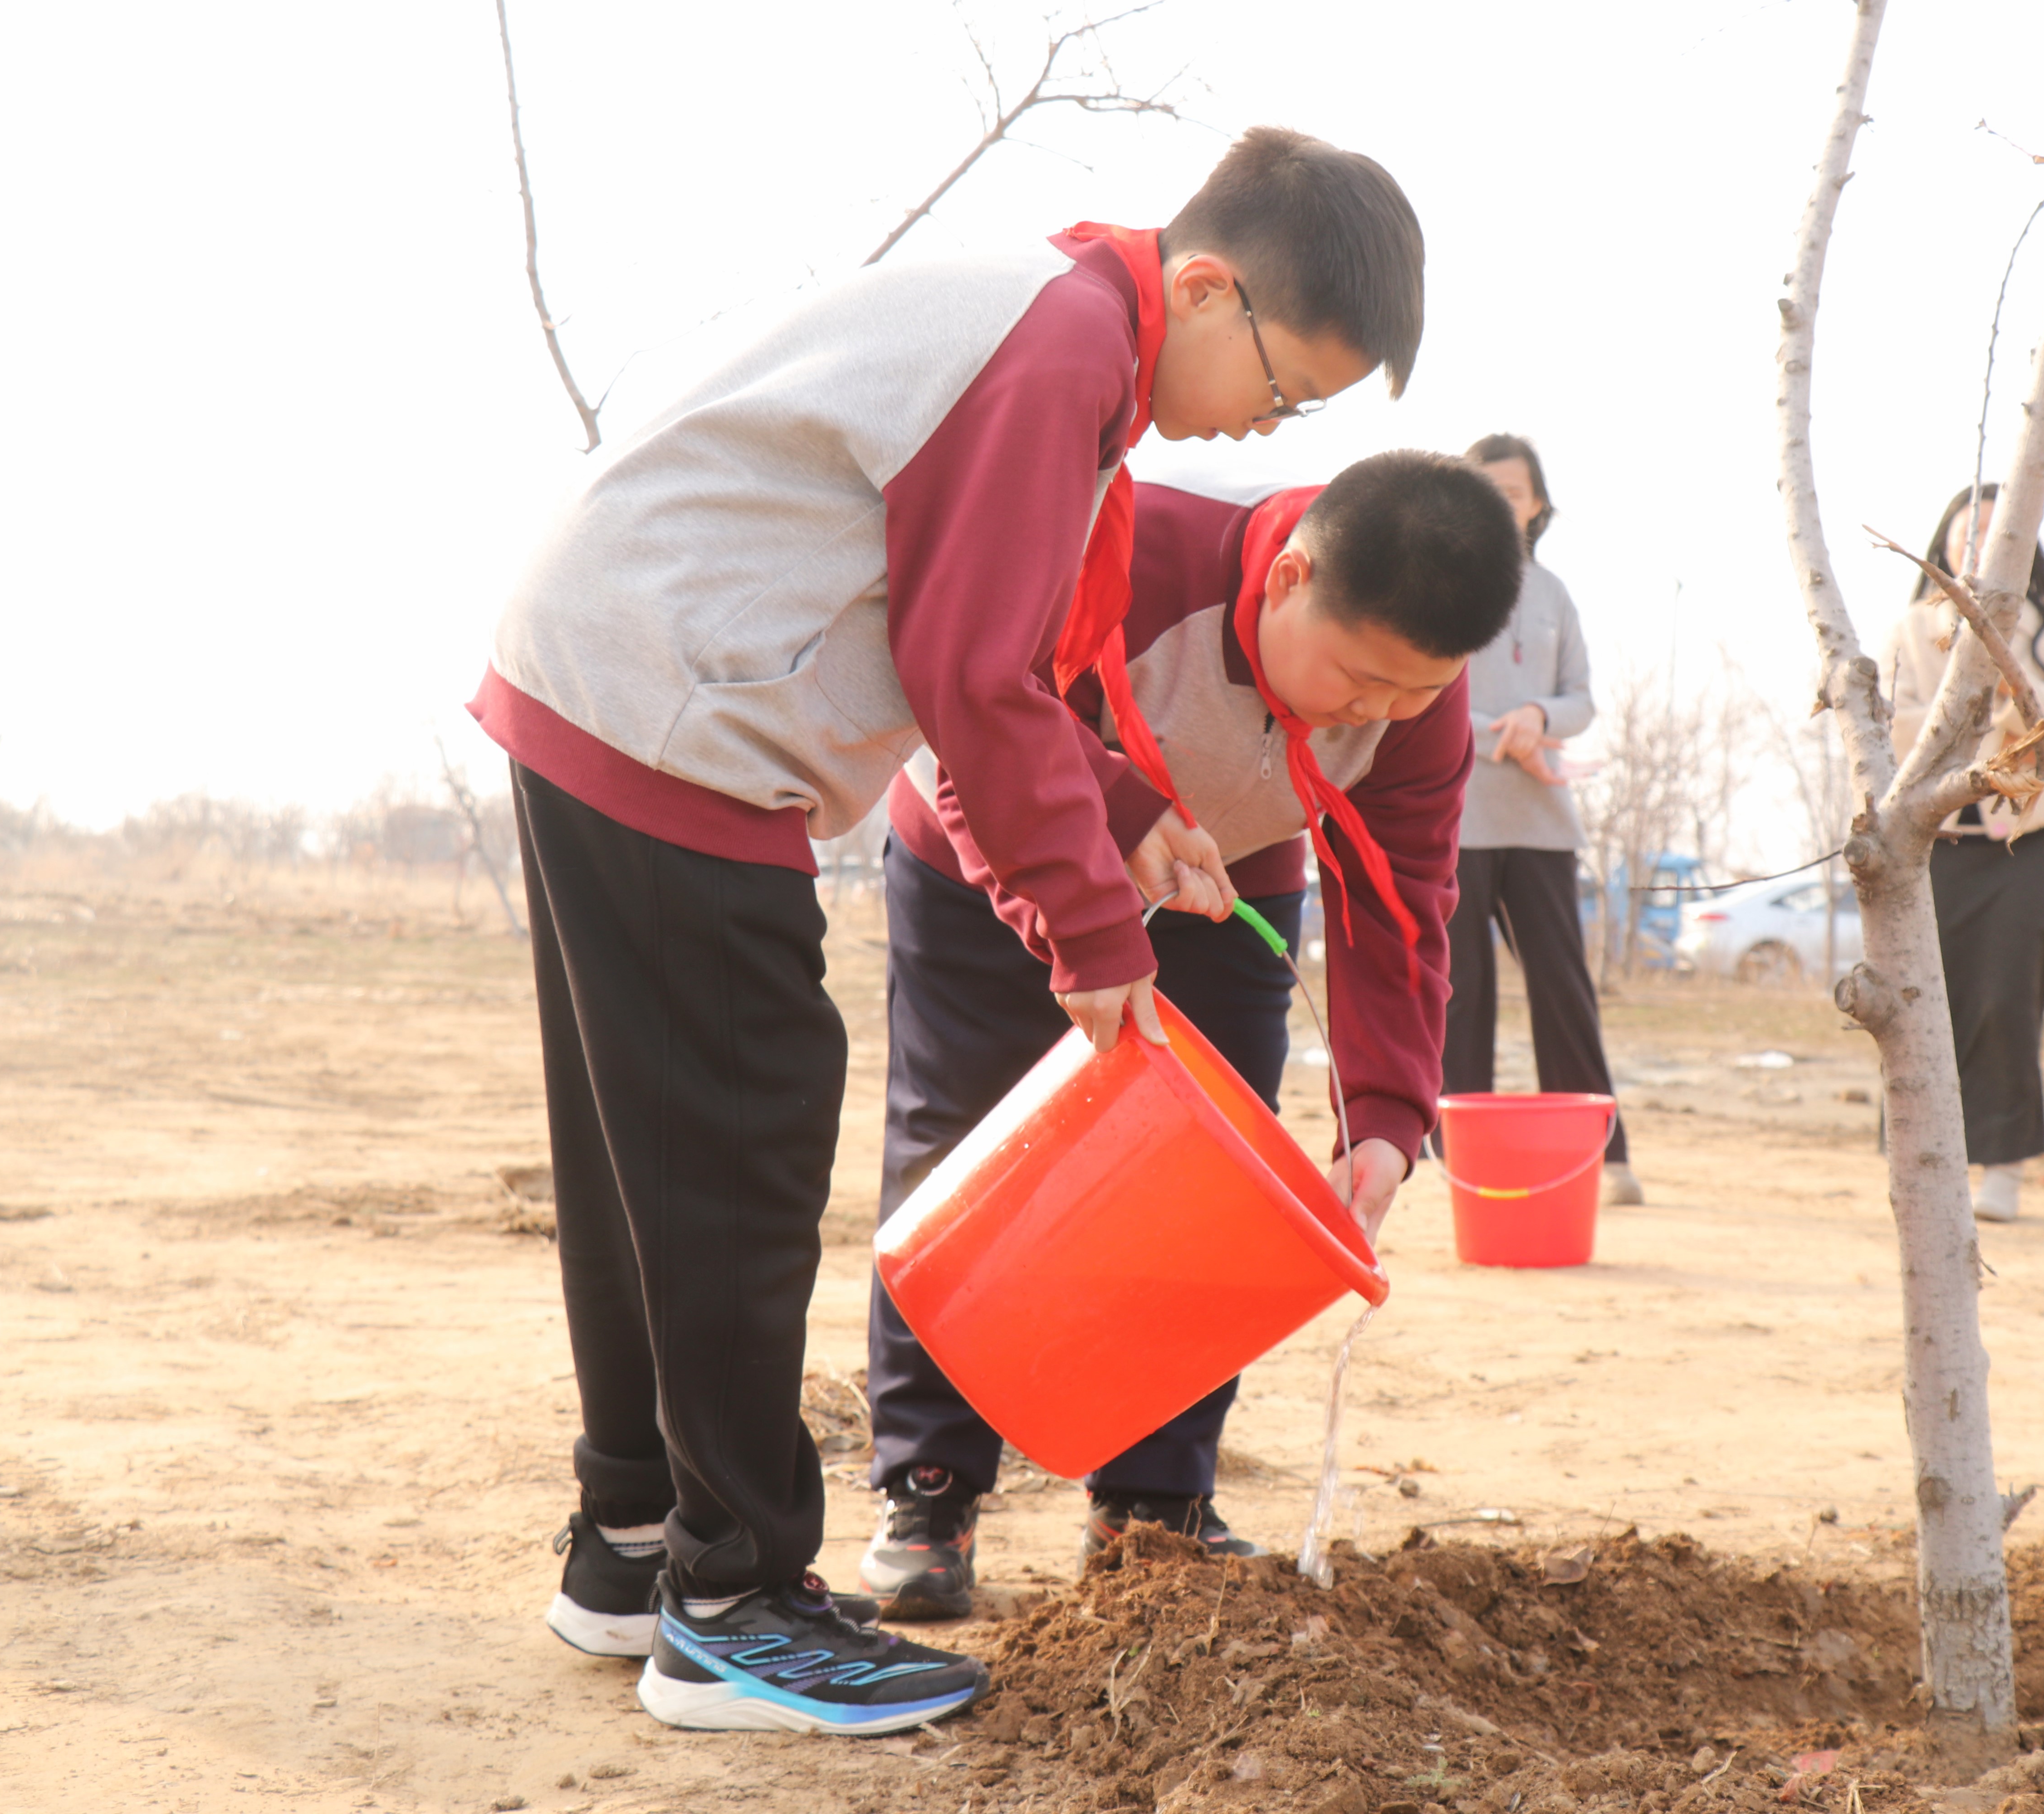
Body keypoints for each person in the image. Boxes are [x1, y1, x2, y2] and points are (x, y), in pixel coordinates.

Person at [474, 127, 1427, 1735]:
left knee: (644, 1152)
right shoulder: (1060, 353)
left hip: (610, 669)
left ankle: (630, 1537)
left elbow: (986, 671)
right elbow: (971, 678)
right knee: (745, 1138)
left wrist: (1118, 822)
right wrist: (1101, 949)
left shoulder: (1054, 323)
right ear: (1206, 286)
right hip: (675, 706)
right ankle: (729, 1605)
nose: (1268, 429)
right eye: (1282, 389)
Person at [859, 451, 1523, 1618]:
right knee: (967, 1152)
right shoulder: (1124, 546)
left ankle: (1154, 1503)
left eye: (1412, 694)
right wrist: (1086, 898)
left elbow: (1405, 896)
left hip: (1229, 889)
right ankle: (931, 1491)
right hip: (989, 857)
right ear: (1290, 577)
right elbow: (968, 710)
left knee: (1209, 1180)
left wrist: (1384, 1114)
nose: (1376, 713)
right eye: (1360, 677)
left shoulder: (1420, 695)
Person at [1882, 485, 2044, 1224]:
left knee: (2007, 1004)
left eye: (1996, 531)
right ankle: (1919, 1160)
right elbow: (1899, 731)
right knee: (1924, 1005)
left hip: (2021, 847)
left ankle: (2003, 1166)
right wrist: (1997, 731)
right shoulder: (1913, 629)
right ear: (1942, 544)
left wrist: (2016, 692)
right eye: (1963, 532)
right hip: (1935, 844)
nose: (1977, 545)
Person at [1440, 433, 1641, 1205]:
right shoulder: (1440, 583)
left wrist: (1535, 716)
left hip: (1542, 823)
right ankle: (1456, 1154)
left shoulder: (1554, 594)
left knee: (1564, 988)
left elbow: (1581, 702)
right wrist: (1507, 736)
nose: (1501, 504)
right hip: (1456, 818)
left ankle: (1604, 1156)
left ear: (1537, 507)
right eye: (1484, 490)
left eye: (1513, 492)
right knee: (1461, 993)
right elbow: (1422, 695)